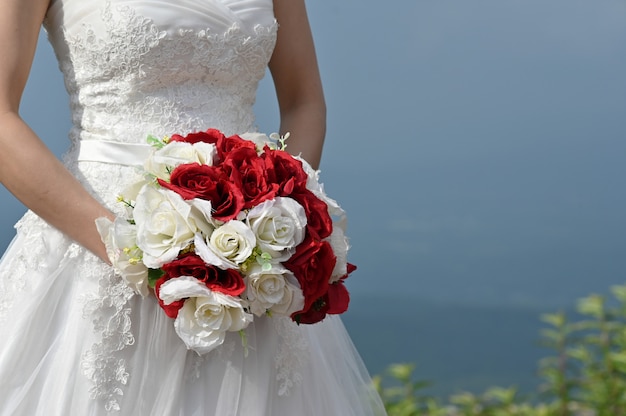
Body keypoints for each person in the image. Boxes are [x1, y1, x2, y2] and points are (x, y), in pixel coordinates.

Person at [0, 0, 387, 415]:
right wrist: (124, 246)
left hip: (246, 253)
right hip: (96, 246)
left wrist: (281, 212)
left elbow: (304, 102)